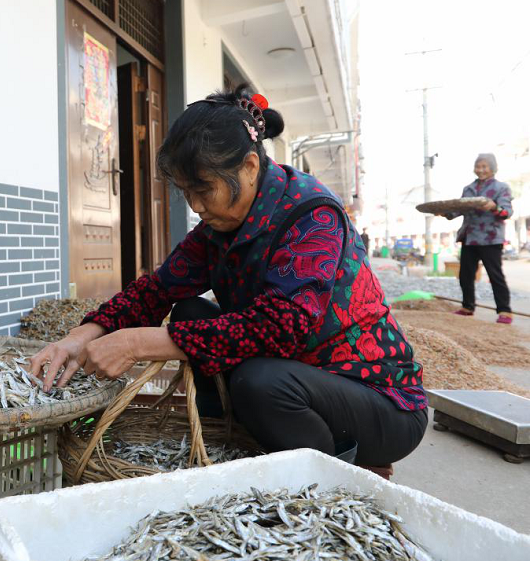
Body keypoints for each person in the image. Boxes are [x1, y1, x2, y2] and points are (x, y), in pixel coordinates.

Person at [30, 89, 427, 476]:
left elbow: (280, 327)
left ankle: (338, 469)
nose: (196, 206)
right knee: (189, 310)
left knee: (261, 383)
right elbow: (157, 291)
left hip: (378, 401)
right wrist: (79, 337)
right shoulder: (220, 226)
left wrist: (135, 343)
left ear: (250, 167)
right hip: (299, 382)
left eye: (204, 189)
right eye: (187, 192)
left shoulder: (311, 214)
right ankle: (236, 441)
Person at [439, 153, 513, 324]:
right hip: (469, 237)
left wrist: (494, 207)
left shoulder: (501, 188)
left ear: (493, 168)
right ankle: (467, 306)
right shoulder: (468, 189)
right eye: (478, 166)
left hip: (490, 238)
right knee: (465, 274)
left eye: (484, 166)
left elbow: (506, 212)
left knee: (495, 275)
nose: (480, 170)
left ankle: (505, 311)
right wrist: (446, 212)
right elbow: (460, 209)